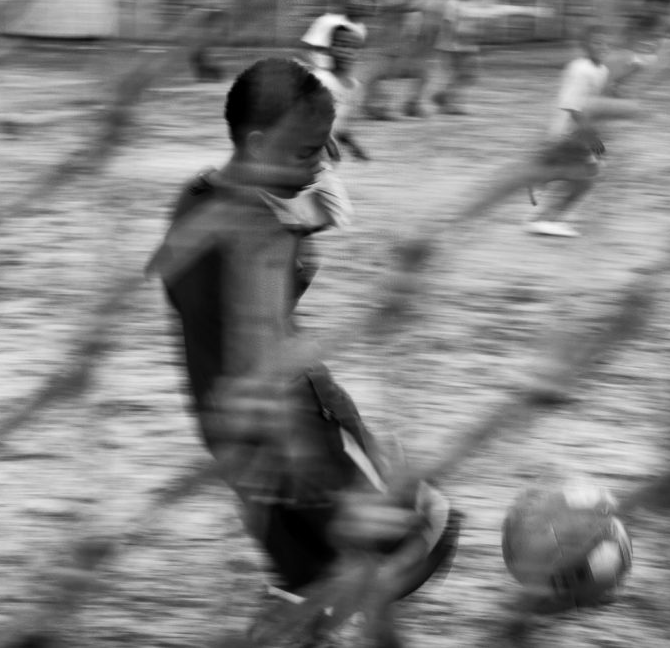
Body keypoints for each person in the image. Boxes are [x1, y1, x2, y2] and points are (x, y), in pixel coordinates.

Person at [147, 57, 460, 648]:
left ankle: (297, 618)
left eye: (325, 145)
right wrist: (301, 227)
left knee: (302, 573)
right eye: (309, 149)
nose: (321, 161)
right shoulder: (264, 235)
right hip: (300, 426)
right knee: (429, 530)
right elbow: (264, 317)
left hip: (226, 429)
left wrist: (291, 210)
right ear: (261, 141)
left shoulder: (193, 199)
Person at [525, 24, 610, 238]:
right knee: (585, 178)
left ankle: (540, 179)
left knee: (577, 175)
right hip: (571, 134)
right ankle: (545, 219)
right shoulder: (580, 70)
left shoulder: (602, 70)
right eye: (596, 42)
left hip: (579, 133)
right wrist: (596, 145)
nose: (602, 47)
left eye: (605, 42)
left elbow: (593, 105)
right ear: (585, 46)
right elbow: (573, 108)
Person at [362, 0, 437, 120]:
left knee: (424, 73)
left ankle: (412, 104)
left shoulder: (412, 13)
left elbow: (417, 31)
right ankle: (376, 106)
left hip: (401, 56)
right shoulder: (388, 10)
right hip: (385, 57)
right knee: (374, 76)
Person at [312, 24, 370, 161]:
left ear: (359, 53)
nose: (346, 51)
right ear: (329, 48)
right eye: (341, 45)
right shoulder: (318, 79)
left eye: (352, 47)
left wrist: (354, 148)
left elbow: (338, 128)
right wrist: (330, 145)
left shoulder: (356, 88)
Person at [608, 0, 670, 97]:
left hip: (646, 53)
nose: (658, 8)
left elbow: (665, 33)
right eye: (655, 5)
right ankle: (618, 87)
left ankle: (619, 88)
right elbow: (631, 32)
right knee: (631, 72)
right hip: (637, 52)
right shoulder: (645, 17)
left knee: (634, 74)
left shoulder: (665, 19)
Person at [432, 0, 482, 116]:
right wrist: (450, 44)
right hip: (454, 47)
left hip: (470, 46)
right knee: (457, 76)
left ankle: (443, 96)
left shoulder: (473, 5)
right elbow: (448, 24)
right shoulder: (453, 4)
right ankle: (451, 104)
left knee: (470, 76)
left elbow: (475, 25)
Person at [300, 0, 371, 73]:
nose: (355, 2)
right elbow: (303, 52)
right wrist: (318, 73)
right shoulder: (327, 21)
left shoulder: (362, 29)